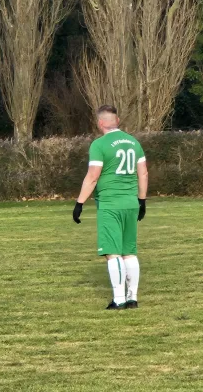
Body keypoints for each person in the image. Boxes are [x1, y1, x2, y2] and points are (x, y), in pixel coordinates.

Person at [73, 105, 148, 310]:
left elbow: (93, 176)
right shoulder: (134, 142)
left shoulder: (100, 144)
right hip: (131, 202)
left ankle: (119, 299)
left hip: (110, 204)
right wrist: (142, 201)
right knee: (129, 251)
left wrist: (79, 203)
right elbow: (143, 173)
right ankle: (132, 298)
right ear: (118, 120)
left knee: (112, 253)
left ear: (100, 123)